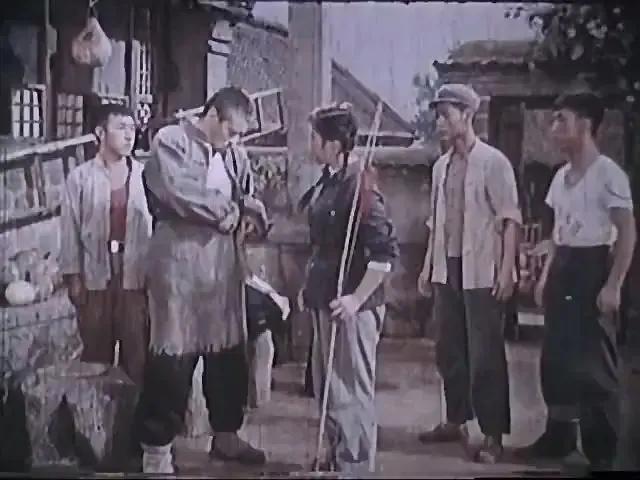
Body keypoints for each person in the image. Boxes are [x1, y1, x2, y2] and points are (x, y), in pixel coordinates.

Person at [134, 86, 270, 474]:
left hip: (223, 270)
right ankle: (157, 450)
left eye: (240, 134)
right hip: (179, 267)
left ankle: (226, 435)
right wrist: (229, 211)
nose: (235, 140)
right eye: (231, 130)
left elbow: (249, 198)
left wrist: (251, 216)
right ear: (212, 115)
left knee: (228, 357)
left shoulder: (234, 153)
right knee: (172, 361)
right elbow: (179, 192)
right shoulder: (171, 141)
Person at [514, 93, 636, 471]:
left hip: (593, 268)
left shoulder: (608, 174)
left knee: (594, 365)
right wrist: (545, 277)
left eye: (561, 120)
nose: (553, 129)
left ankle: (602, 453)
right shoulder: (560, 177)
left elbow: (628, 232)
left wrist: (614, 284)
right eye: (553, 120)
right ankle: (559, 437)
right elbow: (559, 234)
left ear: (585, 125)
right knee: (557, 358)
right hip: (564, 267)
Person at [417, 84, 522, 464]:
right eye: (438, 116)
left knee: (485, 354)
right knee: (449, 349)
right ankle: (455, 419)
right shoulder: (441, 167)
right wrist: (427, 267)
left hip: (482, 268)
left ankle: (493, 435)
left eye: (446, 115)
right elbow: (436, 222)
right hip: (447, 266)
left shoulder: (494, 162)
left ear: (467, 114)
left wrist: (507, 270)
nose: (440, 123)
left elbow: (510, 219)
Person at [297, 102, 399, 475]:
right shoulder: (329, 182)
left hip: (353, 304)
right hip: (325, 296)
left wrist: (356, 299)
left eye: (315, 138)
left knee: (352, 389)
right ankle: (336, 452)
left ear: (334, 144)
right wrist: (310, 286)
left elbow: (384, 255)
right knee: (328, 385)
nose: (311, 144)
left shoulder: (362, 188)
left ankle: (354, 465)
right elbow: (322, 244)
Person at [59, 103, 152, 385]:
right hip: (95, 275)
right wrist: (74, 278)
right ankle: (96, 412)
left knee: (137, 357)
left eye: (132, 128)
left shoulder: (146, 176)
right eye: (121, 128)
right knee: (96, 359)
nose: (129, 135)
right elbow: (70, 231)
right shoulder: (80, 178)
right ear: (100, 132)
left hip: (136, 275)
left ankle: (133, 411)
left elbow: (158, 227)